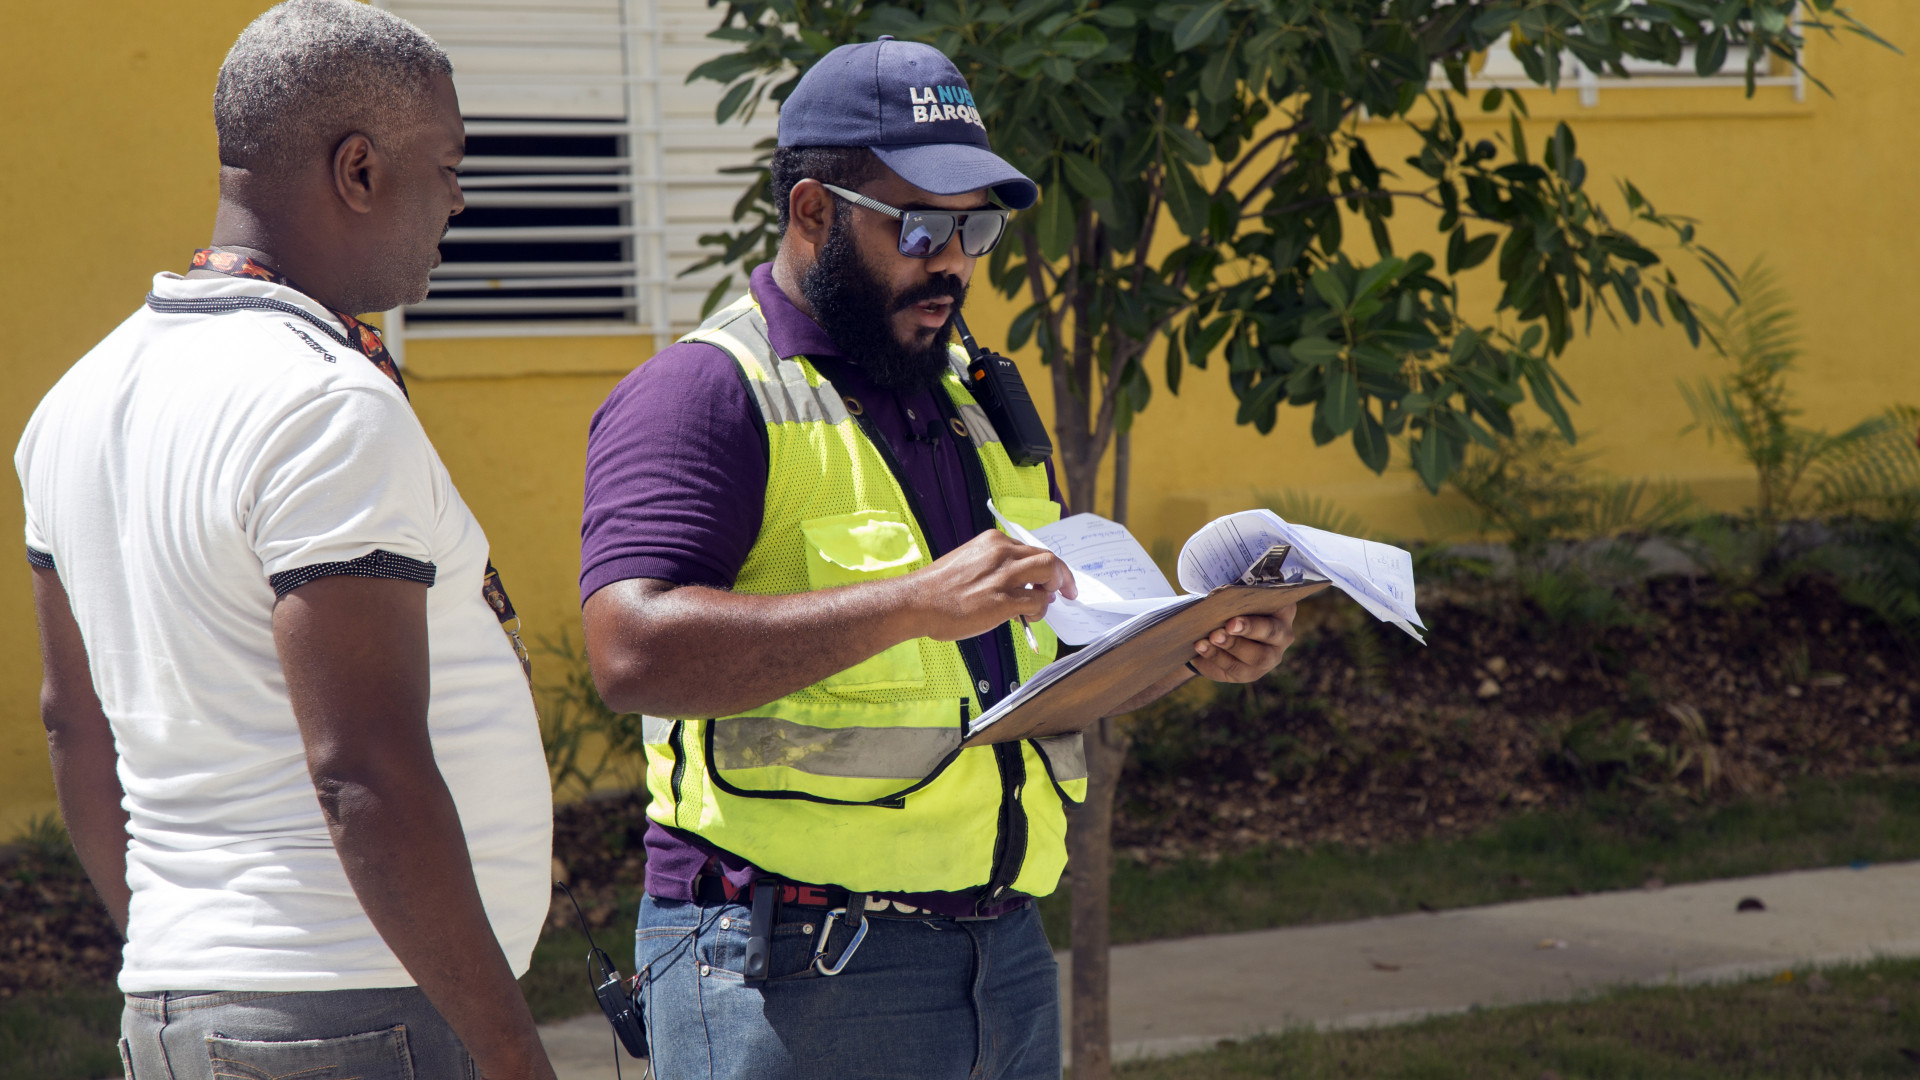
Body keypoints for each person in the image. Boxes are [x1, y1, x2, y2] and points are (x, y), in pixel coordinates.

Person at [578, 36, 1298, 1080]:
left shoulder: (976, 395)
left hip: (1003, 955)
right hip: (792, 964)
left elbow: (1034, 670)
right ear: (814, 212)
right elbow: (629, 653)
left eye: (978, 228)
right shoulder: (703, 394)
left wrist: (1190, 647)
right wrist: (914, 602)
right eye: (920, 226)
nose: (954, 261)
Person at [15, 3, 555, 1078]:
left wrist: (183, 953)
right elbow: (361, 770)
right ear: (359, 170)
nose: (459, 198)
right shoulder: (324, 404)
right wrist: (510, 1053)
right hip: (355, 1013)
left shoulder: (74, 401)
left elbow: (73, 725)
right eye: (448, 166)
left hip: (186, 1003)